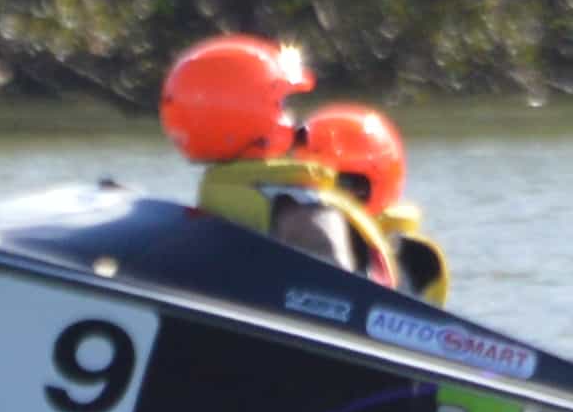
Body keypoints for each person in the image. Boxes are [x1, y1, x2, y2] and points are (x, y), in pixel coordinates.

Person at [158, 32, 395, 281]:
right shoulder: (299, 207)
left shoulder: (294, 207)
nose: (293, 120)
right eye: (281, 105)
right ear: (246, 109)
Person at [300, 99, 450, 302]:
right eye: (323, 184)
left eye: (347, 183)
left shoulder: (420, 258)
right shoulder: (286, 224)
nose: (336, 197)